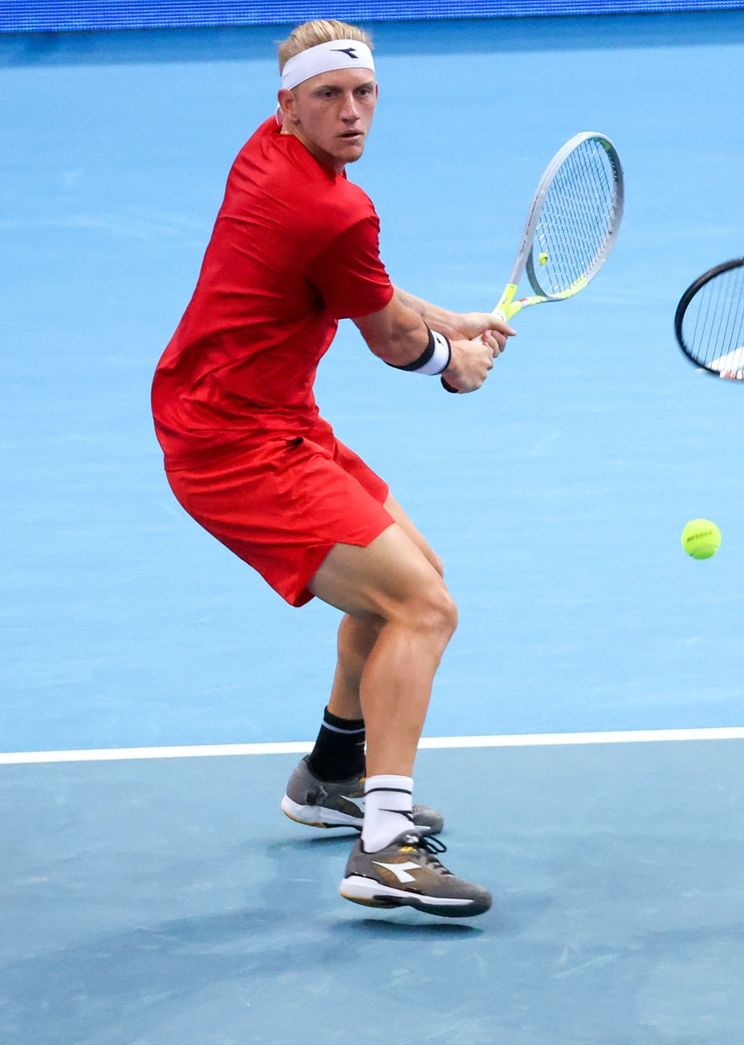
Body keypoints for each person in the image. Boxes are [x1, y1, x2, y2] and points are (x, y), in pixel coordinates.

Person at [151, 19, 511, 918]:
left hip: (268, 417)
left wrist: (452, 319)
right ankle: (384, 847)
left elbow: (368, 289)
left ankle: (332, 772)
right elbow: (389, 335)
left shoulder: (266, 154)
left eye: (365, 94)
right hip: (232, 448)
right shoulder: (335, 208)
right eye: (328, 97)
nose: (351, 113)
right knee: (423, 608)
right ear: (288, 107)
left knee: (410, 578)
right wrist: (450, 362)